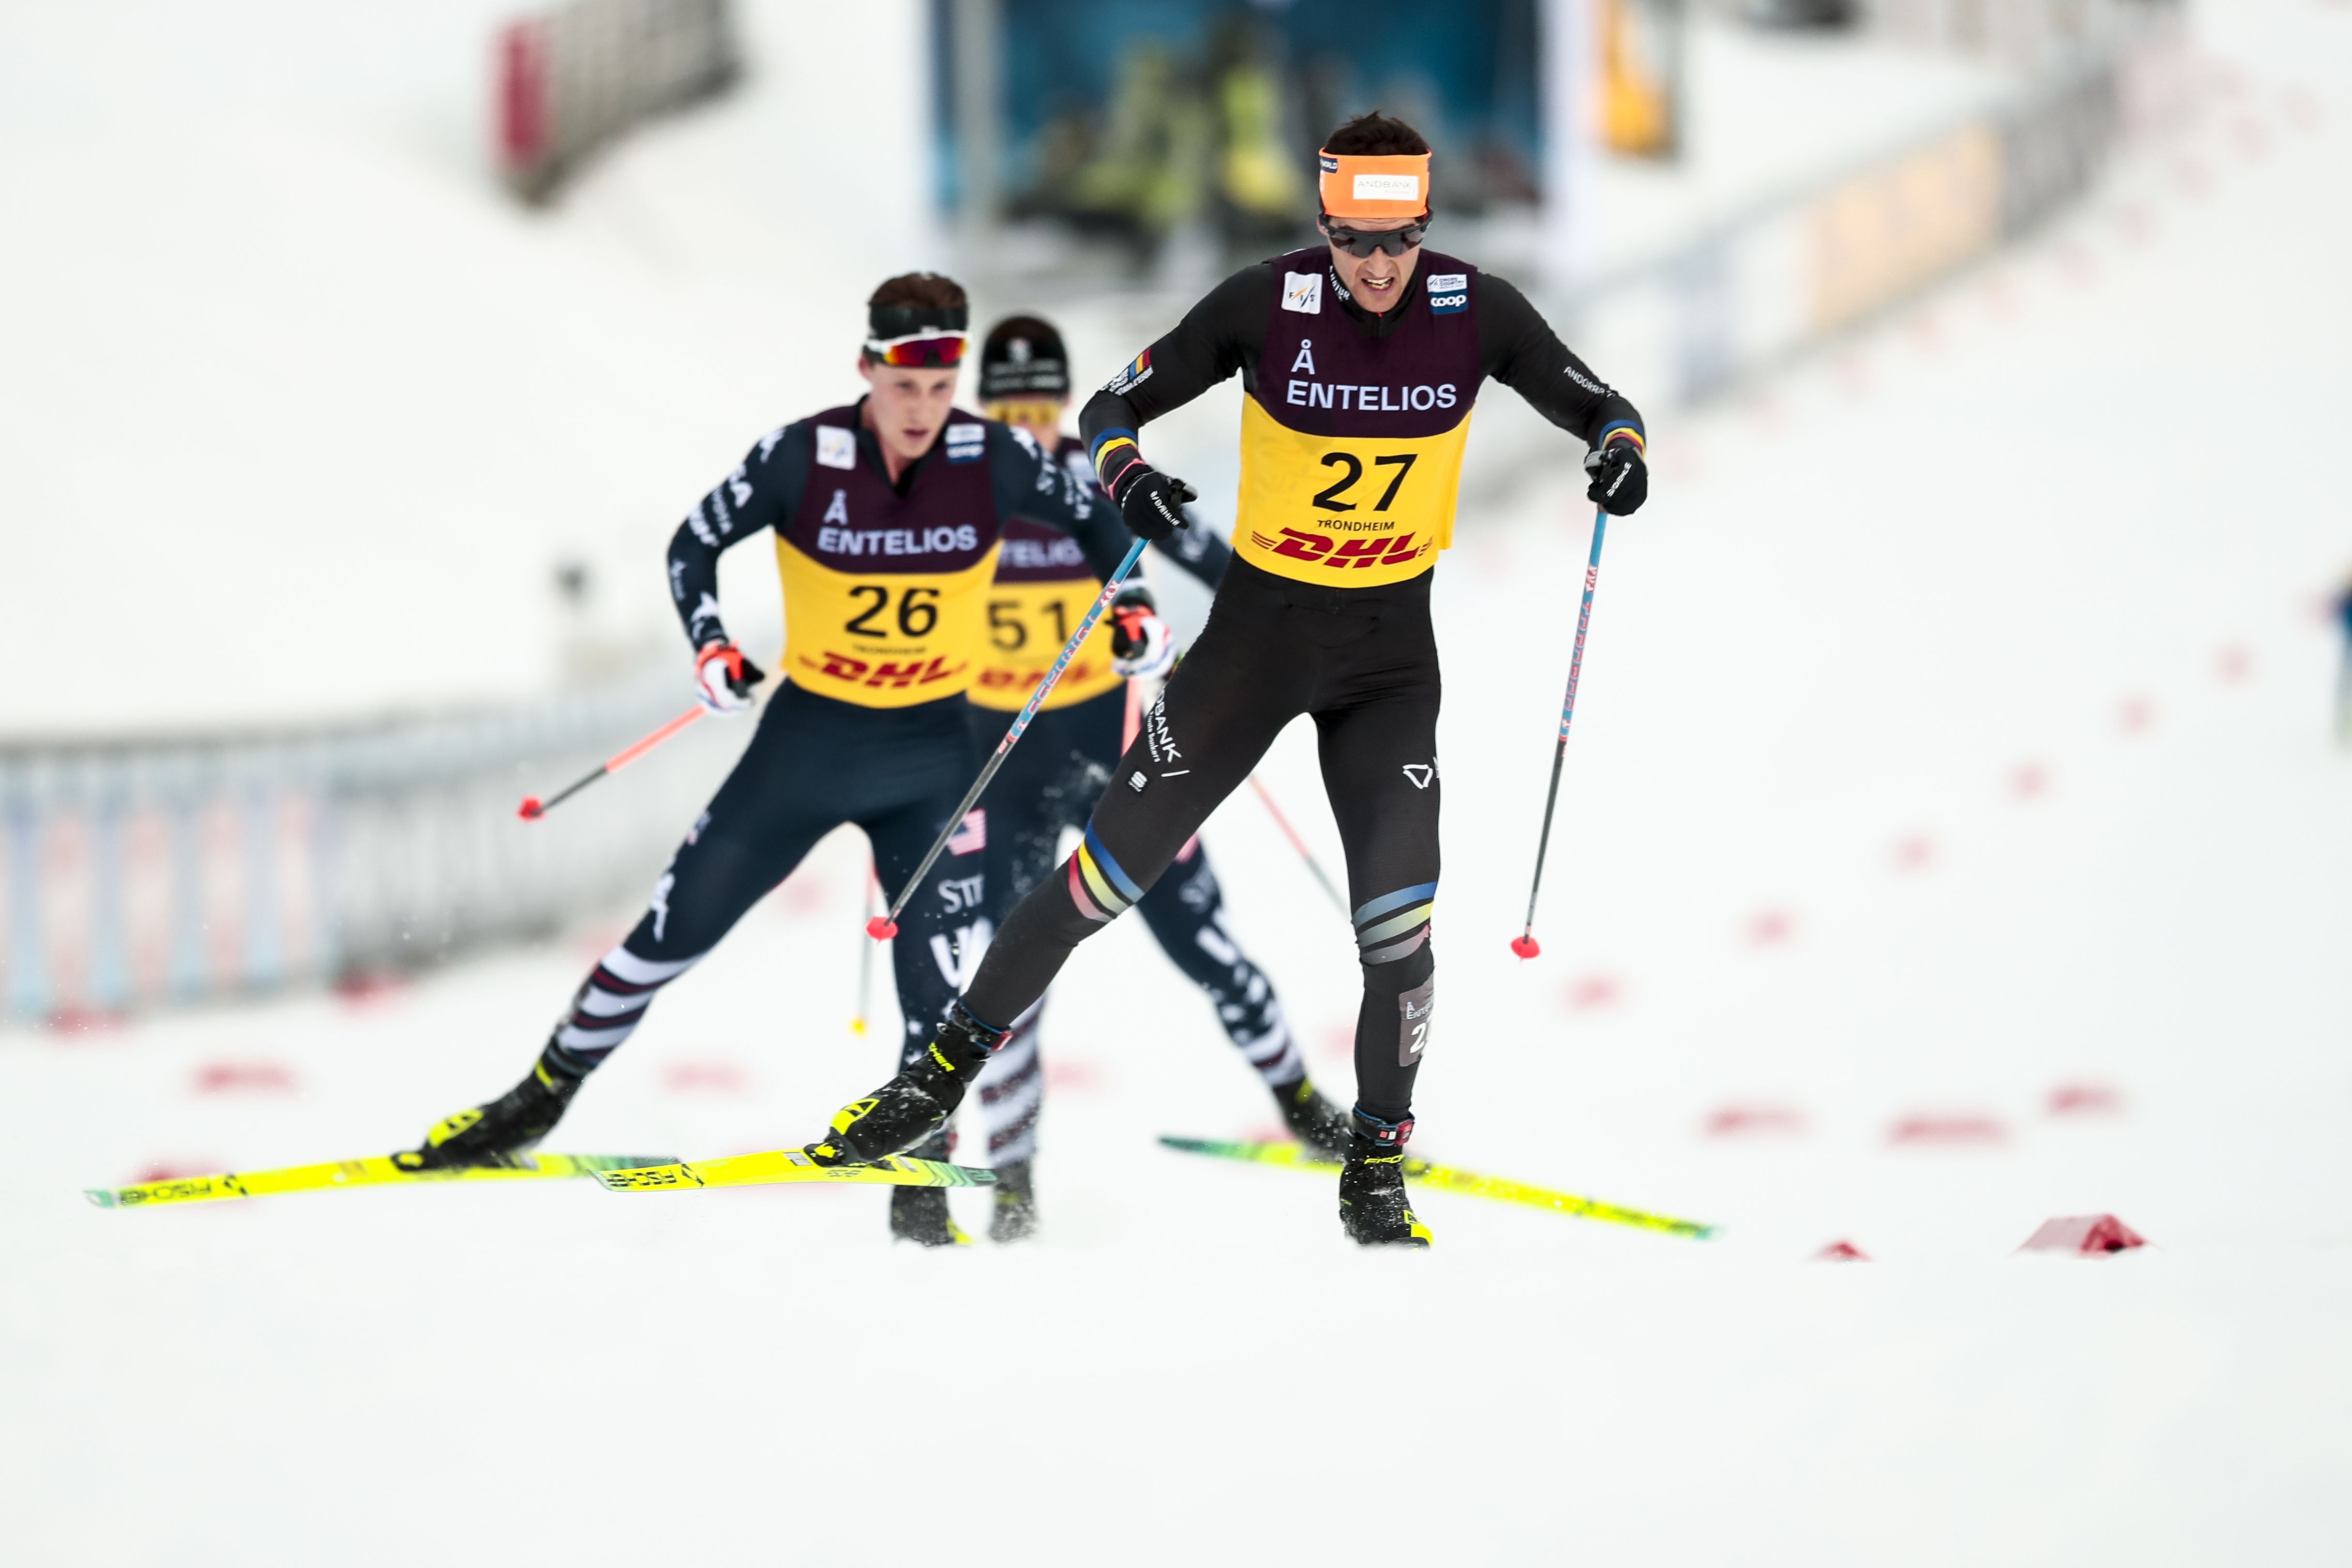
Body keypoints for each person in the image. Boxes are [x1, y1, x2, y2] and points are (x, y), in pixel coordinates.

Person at [801, 113, 1650, 1249]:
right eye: (1355, 240)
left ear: (1427, 227)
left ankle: (1377, 1160)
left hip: (1389, 663)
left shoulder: (1476, 309)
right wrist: (1127, 476)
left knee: (1400, 933)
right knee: (1099, 885)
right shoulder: (1267, 303)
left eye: (1400, 240)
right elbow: (1110, 407)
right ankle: (936, 1083)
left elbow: (1604, 404)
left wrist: (1619, 449)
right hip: (1255, 646)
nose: (1380, 265)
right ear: (1325, 224)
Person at [396, 273, 1159, 1193]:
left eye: (940, 387)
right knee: (667, 939)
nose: (921, 410)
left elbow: (1099, 520)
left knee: (940, 995)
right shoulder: (803, 457)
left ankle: (920, 1200)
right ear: (867, 370)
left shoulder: (992, 457)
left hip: (934, 761)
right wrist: (712, 647)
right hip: (808, 750)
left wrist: (1134, 608)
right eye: (903, 386)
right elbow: (693, 544)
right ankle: (538, 1097)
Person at [946, 314, 1355, 1246]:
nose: (1026, 420)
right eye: (1007, 403)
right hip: (1001, 760)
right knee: (1016, 970)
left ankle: (1300, 1099)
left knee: (1202, 940)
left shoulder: (1101, 481)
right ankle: (1012, 1179)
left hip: (1113, 749)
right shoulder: (959, 493)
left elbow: (1224, 562)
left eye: (1042, 401)